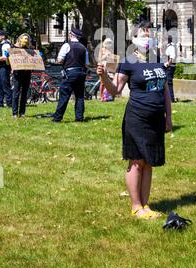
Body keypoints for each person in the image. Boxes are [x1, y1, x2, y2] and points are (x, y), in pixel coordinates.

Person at [97, 20, 172, 220]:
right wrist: (104, 77)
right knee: (137, 161)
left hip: (156, 117)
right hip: (137, 117)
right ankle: (136, 205)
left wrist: (168, 117)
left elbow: (164, 90)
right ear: (135, 37)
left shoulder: (157, 59)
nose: (147, 37)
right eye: (143, 33)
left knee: (149, 162)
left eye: (149, 33)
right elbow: (116, 90)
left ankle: (146, 205)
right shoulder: (128, 61)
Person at [52, 27, 87, 122]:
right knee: (79, 96)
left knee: (64, 96)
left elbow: (60, 60)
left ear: (71, 35)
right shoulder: (84, 48)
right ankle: (79, 118)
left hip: (70, 73)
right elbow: (86, 63)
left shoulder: (66, 45)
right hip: (81, 73)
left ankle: (57, 118)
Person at [12, 34, 32, 118]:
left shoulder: (29, 49)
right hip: (17, 73)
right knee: (16, 93)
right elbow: (8, 62)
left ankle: (22, 113)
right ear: (20, 39)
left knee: (24, 93)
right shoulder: (14, 48)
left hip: (27, 73)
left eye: (27, 38)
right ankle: (15, 113)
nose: (26, 40)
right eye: (25, 38)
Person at [0, 29, 12, 108]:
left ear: (3, 36)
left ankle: (9, 103)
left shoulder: (6, 45)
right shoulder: (0, 44)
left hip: (4, 67)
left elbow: (5, 57)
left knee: (5, 85)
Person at [164, 35, 176, 102]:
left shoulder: (171, 47)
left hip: (170, 66)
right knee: (167, 82)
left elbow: (171, 58)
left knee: (169, 82)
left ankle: (171, 98)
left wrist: (167, 65)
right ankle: (168, 97)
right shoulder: (170, 46)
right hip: (170, 66)